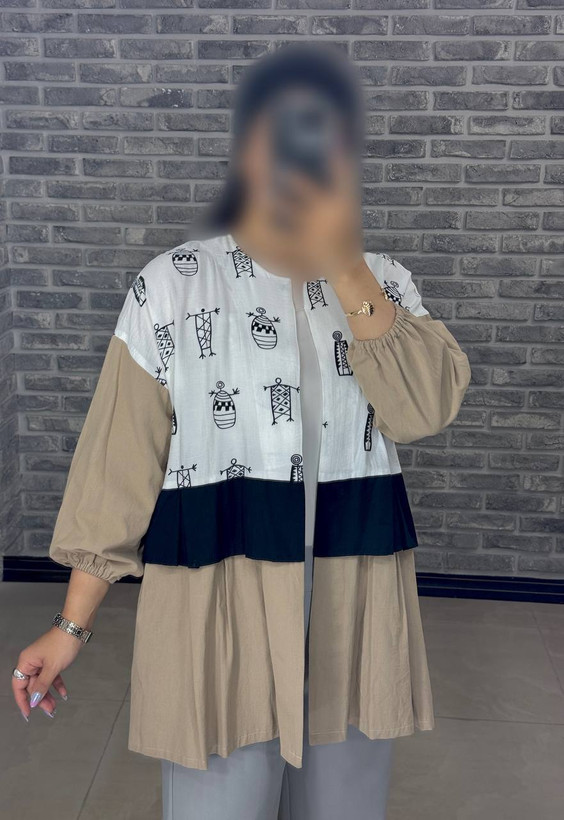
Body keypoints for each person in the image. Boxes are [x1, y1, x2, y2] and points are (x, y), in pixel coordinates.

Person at [11, 43, 472, 820]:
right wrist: (70, 626)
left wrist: (346, 267)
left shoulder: (385, 282)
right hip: (216, 599)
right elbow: (117, 468)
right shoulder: (171, 287)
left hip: (353, 605)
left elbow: (422, 409)